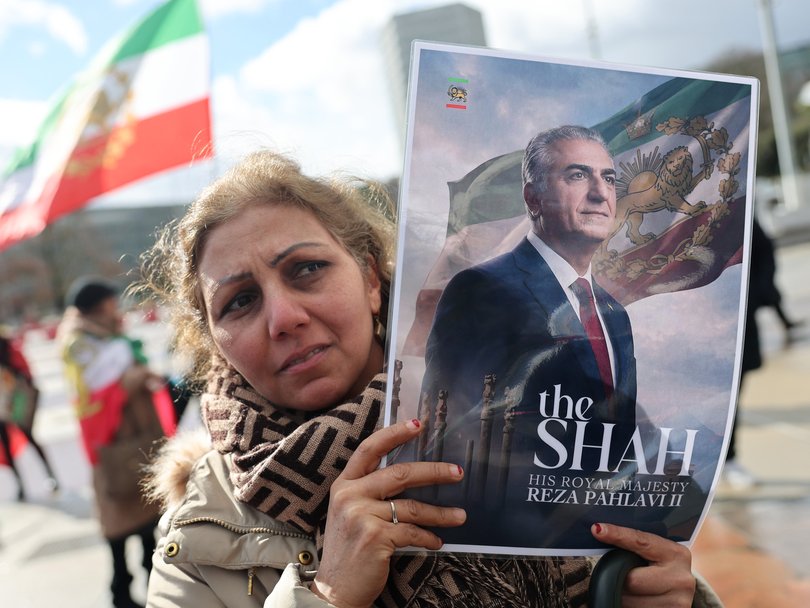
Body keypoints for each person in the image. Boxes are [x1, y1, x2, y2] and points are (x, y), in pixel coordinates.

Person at [140, 150, 719, 607]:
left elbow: (651, 554)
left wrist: (669, 598)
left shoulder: (559, 398)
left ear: (370, 279)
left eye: (307, 269)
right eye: (240, 301)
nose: (284, 317)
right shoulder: (197, 540)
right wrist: (327, 596)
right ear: (214, 340)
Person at [418, 125, 649, 548]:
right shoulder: (480, 288)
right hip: (504, 549)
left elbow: (620, 442)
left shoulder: (614, 315)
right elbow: (450, 435)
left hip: (601, 545)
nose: (600, 192)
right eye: (578, 176)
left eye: (609, 178)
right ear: (532, 198)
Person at [58, 277, 171, 608]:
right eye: (110, 300)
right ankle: (120, 590)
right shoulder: (78, 342)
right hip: (112, 441)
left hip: (134, 435)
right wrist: (137, 374)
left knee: (146, 513)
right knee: (119, 515)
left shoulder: (104, 332)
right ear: (97, 304)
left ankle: (150, 583)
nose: (115, 305)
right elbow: (101, 385)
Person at [0, 329, 59, 500]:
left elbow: (26, 374)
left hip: (17, 400)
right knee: (5, 444)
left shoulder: (8, 347)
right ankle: (20, 484)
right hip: (2, 405)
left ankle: (50, 475)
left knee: (28, 437)